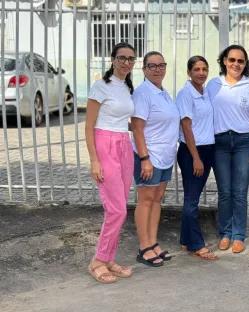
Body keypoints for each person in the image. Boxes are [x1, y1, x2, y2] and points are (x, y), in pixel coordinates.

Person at [85, 42, 136, 283]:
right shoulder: (101, 86)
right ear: (113, 59)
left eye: (131, 59)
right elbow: (89, 125)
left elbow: (122, 119)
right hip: (105, 145)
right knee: (116, 209)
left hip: (124, 144)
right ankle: (97, 261)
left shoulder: (126, 87)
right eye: (122, 58)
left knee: (121, 208)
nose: (127, 62)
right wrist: (94, 160)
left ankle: (109, 258)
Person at [206, 45, 249, 254]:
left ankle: (239, 235)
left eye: (240, 61)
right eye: (232, 60)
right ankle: (225, 233)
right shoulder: (213, 85)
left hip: (244, 142)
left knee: (239, 192)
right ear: (224, 61)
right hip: (219, 143)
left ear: (245, 63)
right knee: (224, 192)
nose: (236, 64)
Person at [131, 51, 180, 267]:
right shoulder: (143, 93)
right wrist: (144, 158)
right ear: (144, 69)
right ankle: (144, 247)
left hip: (165, 156)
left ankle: (153, 242)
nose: (158, 69)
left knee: (157, 199)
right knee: (146, 200)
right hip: (148, 156)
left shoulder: (163, 92)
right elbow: (137, 129)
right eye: (152, 66)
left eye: (161, 65)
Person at [176, 56, 219, 260]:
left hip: (207, 149)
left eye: (204, 69)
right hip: (193, 152)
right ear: (189, 72)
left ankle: (185, 240)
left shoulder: (205, 92)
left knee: (192, 197)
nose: (201, 73)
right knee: (192, 200)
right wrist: (196, 157)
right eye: (196, 69)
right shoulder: (186, 95)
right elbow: (186, 126)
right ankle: (196, 245)